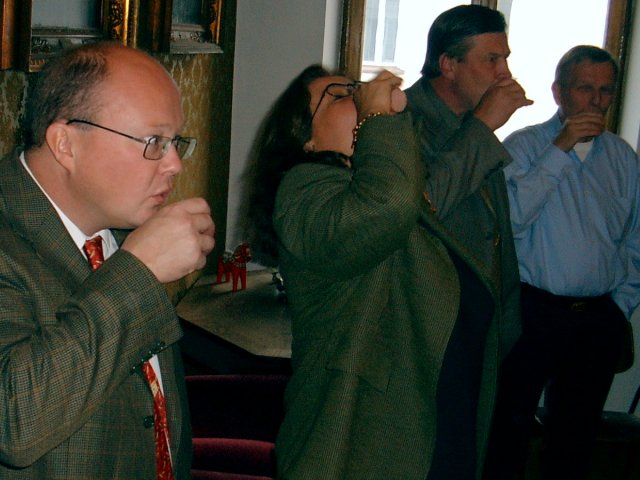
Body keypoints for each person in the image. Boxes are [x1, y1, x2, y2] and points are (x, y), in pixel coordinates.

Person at [244, 61, 512, 479]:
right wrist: (376, 117)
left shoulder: (376, 183)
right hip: (365, 442)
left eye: (357, 88)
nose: (357, 96)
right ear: (307, 139)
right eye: (339, 95)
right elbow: (387, 207)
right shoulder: (302, 189)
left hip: (431, 422)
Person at [0, 42, 215, 479]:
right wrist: (139, 273)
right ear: (65, 144)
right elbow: (13, 420)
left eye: (176, 142)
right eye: (154, 141)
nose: (174, 164)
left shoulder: (119, 225)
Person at [482, 45, 638, 480]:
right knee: (508, 431)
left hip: (598, 318)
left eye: (606, 91)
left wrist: (621, 307)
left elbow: (633, 239)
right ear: (558, 92)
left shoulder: (623, 158)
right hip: (533, 312)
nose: (596, 101)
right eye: (585, 88)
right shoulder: (523, 146)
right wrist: (560, 149)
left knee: (575, 439)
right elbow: (509, 222)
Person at [405, 4, 530, 382]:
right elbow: (421, 207)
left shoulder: (472, 123)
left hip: (481, 326)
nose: (504, 72)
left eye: (505, 58)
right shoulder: (402, 121)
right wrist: (484, 124)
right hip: (429, 333)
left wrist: (507, 320)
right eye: (491, 59)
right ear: (448, 64)